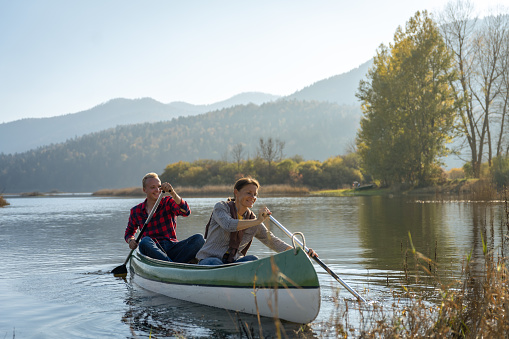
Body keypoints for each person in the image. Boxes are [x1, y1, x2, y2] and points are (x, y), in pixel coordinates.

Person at [196, 177, 316, 265]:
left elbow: (273, 242)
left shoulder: (253, 220)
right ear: (236, 192)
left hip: (232, 262)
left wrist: (302, 252)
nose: (253, 197)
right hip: (210, 260)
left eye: (255, 194)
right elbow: (228, 225)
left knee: (253, 260)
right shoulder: (221, 207)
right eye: (249, 193)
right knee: (215, 262)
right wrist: (258, 221)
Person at [124, 172, 204, 263]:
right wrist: (131, 241)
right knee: (144, 241)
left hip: (172, 247)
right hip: (152, 250)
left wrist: (172, 192)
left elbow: (186, 212)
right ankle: (174, 263)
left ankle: (170, 263)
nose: (157, 190)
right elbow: (129, 232)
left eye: (159, 186)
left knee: (199, 239)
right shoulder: (136, 211)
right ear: (144, 190)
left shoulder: (168, 202)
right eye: (152, 187)